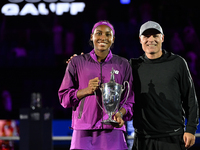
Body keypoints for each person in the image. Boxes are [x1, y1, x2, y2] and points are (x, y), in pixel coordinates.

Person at [58, 20, 134, 150]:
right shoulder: (76, 62)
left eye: (107, 34)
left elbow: (130, 101)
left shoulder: (123, 64)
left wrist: (120, 114)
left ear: (113, 39)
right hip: (83, 131)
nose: (103, 37)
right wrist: (85, 91)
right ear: (91, 36)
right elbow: (64, 98)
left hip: (113, 130)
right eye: (99, 33)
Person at [130, 21, 199, 150]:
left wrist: (191, 128)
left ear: (162, 38)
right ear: (140, 40)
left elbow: (190, 98)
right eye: (146, 36)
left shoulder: (178, 63)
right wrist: (82, 61)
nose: (151, 40)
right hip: (143, 138)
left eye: (155, 36)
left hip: (173, 137)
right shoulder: (133, 66)